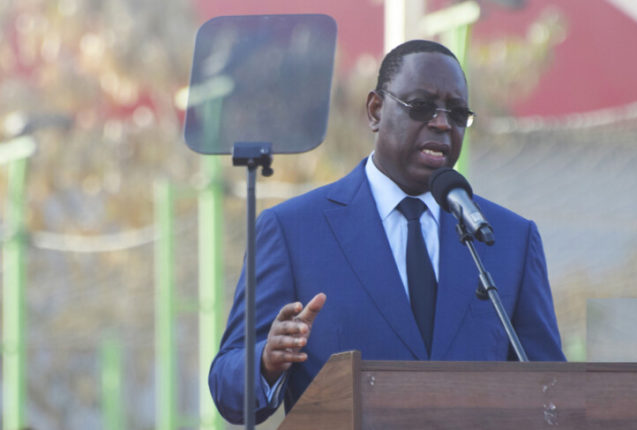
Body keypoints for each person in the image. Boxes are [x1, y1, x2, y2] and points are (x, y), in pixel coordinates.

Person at [209, 40, 565, 425]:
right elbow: (228, 386)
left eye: (458, 113)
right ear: (376, 110)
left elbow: (553, 390)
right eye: (421, 106)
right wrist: (266, 361)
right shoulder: (293, 231)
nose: (442, 123)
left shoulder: (507, 239)